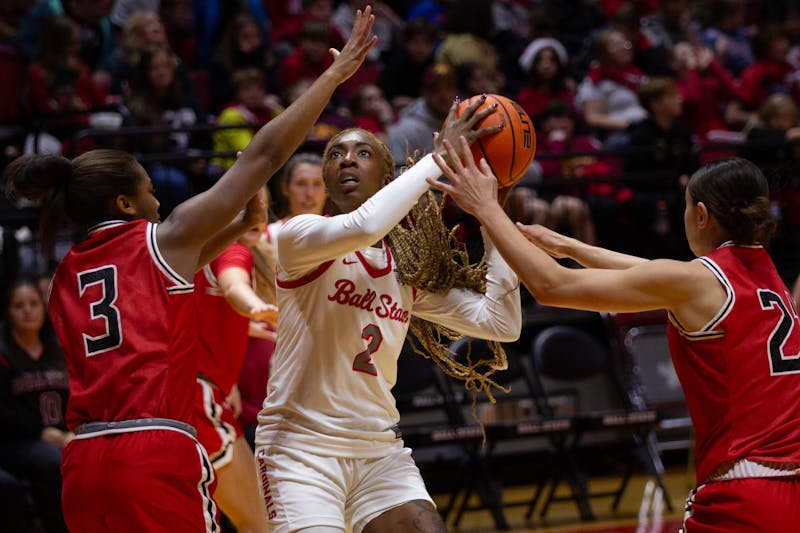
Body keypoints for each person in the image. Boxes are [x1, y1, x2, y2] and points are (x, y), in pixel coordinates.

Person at [2, 8, 377, 531]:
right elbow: (263, 155)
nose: (159, 202)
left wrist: (237, 226)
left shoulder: (66, 271)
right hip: (154, 446)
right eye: (149, 192)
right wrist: (334, 77)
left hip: (84, 462)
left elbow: (158, 280)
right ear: (126, 204)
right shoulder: (162, 238)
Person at [430, 146, 800, 532]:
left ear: (701, 215)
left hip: (746, 493)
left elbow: (551, 285)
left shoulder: (697, 281)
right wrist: (571, 247)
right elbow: (655, 274)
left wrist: (486, 208)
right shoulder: (766, 276)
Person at [254, 106, 522, 532]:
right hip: (300, 451)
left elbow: (500, 323)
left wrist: (494, 218)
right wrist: (439, 157)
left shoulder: (405, 267)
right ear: (326, 180)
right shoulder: (298, 237)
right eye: (336, 153)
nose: (346, 159)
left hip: (378, 451)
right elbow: (364, 226)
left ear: (385, 179)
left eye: (363, 153)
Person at [192, 193, 275, 533]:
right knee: (262, 524)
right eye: (245, 203)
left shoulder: (192, 251)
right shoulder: (232, 250)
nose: (257, 212)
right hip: (197, 402)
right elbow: (233, 285)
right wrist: (252, 306)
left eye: (262, 203)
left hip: (172, 402)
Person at [0, 279, 70, 533]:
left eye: (33, 304)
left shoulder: (58, 350)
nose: (27, 311)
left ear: (44, 308)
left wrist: (73, 429)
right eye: (19, 306)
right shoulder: (4, 354)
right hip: (15, 442)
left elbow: (75, 397)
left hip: (62, 435)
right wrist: (39, 432)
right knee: (52, 461)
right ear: (8, 312)